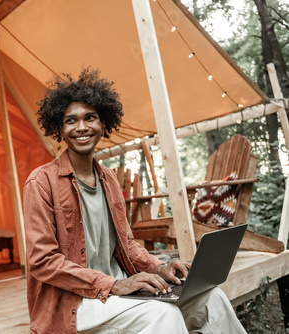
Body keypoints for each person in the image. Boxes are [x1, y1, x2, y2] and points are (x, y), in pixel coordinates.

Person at [22, 68, 247, 334]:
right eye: (71, 120)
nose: (81, 127)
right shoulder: (40, 182)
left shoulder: (108, 179)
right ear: (59, 128)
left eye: (90, 118)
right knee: (163, 314)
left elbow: (127, 245)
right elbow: (42, 261)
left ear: (103, 123)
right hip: (76, 302)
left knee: (212, 298)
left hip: (121, 294)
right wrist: (113, 285)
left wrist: (160, 268)